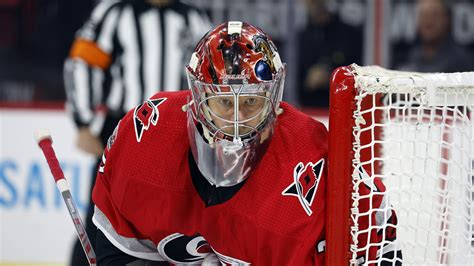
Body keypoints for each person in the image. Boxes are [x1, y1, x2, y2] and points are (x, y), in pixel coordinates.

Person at [91, 21, 401, 264]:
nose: (237, 119)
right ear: (198, 99)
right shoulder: (147, 133)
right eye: (224, 103)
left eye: (251, 101)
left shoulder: (316, 162)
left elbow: (379, 238)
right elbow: (118, 249)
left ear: (274, 99)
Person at [63, 0, 211, 265]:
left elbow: (212, 78)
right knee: (102, 223)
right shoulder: (114, 11)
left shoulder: (195, 19)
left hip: (182, 140)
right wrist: (83, 121)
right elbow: (82, 61)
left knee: (179, 226)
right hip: (122, 136)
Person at [297, 0, 362, 107]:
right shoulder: (300, 38)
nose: (312, 3)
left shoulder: (349, 35)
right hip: (308, 107)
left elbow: (360, 73)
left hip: (343, 107)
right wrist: (307, 80)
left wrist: (331, 77)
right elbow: (290, 83)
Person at [395, 0, 473, 72]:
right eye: (423, 15)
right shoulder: (410, 58)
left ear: (446, 19)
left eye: (434, 15)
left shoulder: (461, 61)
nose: (428, 22)